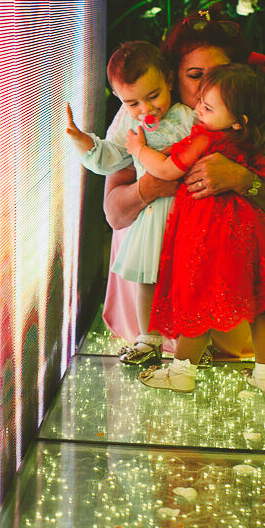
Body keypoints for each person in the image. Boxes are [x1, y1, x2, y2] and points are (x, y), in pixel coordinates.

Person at [100, 5, 265, 361]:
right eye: (195, 75)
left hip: (227, 276)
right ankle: (152, 337)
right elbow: (114, 214)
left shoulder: (250, 117)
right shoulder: (145, 111)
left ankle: (235, 348)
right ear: (170, 77)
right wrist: (154, 184)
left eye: (220, 74)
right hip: (152, 267)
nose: (207, 86)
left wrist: (242, 179)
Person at [128, 63, 265, 394]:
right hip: (253, 230)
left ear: (236, 120)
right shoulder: (249, 141)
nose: (198, 109)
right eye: (200, 101)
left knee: (200, 302)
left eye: (207, 106)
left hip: (212, 233)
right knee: (259, 305)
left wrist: (137, 149)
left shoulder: (205, 140)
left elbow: (167, 168)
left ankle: (181, 373)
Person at [65, 42, 196, 367]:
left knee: (186, 278)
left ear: (168, 80)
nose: (145, 109)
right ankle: (147, 336)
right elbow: (112, 158)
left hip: (185, 211)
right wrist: (87, 145)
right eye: (132, 101)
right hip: (151, 213)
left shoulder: (185, 116)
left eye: (153, 96)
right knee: (146, 276)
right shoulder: (128, 120)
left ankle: (192, 341)